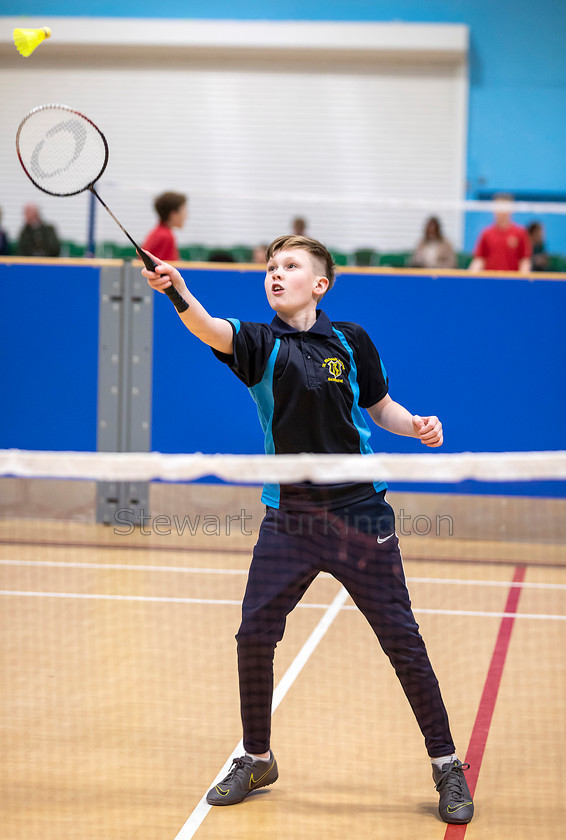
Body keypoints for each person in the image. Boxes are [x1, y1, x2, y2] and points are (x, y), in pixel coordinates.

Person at [141, 234, 474, 826]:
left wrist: (415, 423)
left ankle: (447, 765)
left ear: (319, 285)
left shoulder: (350, 340)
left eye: (291, 266)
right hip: (289, 517)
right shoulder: (259, 343)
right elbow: (211, 329)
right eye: (271, 266)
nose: (276, 274)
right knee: (254, 634)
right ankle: (257, 756)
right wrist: (179, 292)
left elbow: (380, 406)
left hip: (360, 512)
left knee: (402, 640)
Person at [469, 193, 531, 272]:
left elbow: (524, 261)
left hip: (512, 281)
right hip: (490, 280)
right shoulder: (486, 233)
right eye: (498, 207)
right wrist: (471, 276)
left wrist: (523, 280)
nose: (501, 212)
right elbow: (479, 259)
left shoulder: (520, 233)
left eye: (504, 207)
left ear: (511, 209)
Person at [142, 191, 187, 262]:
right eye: (183, 211)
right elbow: (168, 267)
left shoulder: (157, 232)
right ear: (173, 215)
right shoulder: (166, 237)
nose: (186, 216)